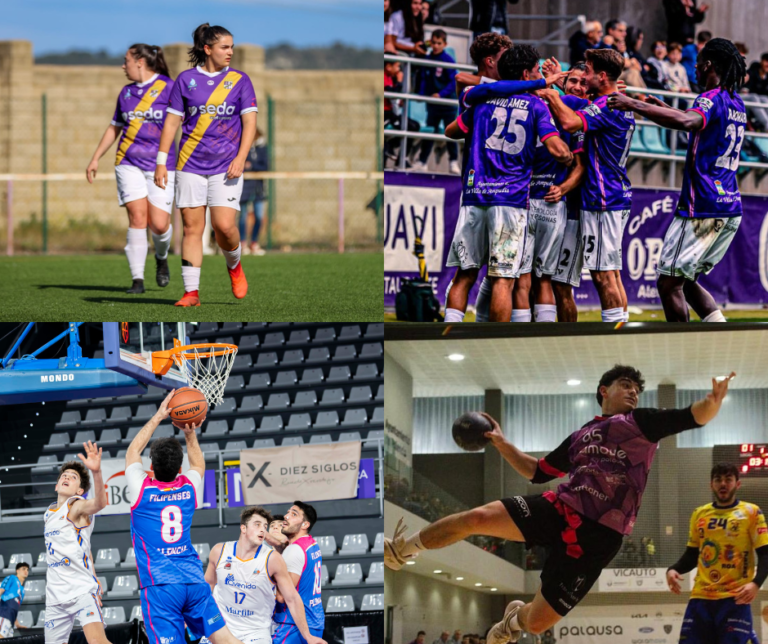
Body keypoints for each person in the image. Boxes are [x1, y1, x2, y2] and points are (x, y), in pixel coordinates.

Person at [385, 365, 735, 640]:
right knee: (476, 517)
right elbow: (538, 472)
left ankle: (514, 619)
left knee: (537, 624)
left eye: (637, 389)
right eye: (626, 384)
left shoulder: (640, 423)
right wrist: (502, 443)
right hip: (560, 507)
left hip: (599, 538)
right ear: (604, 391)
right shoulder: (581, 435)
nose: (633, 392)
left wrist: (713, 403)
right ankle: (402, 549)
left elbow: (691, 416)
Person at [607, 38, 748, 322]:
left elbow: (687, 121)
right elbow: (699, 131)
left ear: (708, 64)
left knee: (668, 282)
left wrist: (632, 103)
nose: (694, 70)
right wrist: (664, 110)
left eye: (697, 64)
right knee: (688, 279)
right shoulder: (737, 103)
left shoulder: (710, 97)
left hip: (703, 207)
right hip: (729, 206)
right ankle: (721, 341)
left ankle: (681, 350)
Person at [442, 45, 572, 323]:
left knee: (464, 275)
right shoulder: (537, 106)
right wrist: (569, 154)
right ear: (526, 73)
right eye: (536, 70)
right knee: (504, 279)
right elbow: (557, 150)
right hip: (510, 203)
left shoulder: (481, 103)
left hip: (475, 197)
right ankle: (494, 341)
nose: (539, 74)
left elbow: (450, 131)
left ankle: (448, 334)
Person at [125, 391, 243, 644]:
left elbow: (133, 450)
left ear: (151, 468)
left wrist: (159, 415)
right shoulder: (188, 486)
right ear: (180, 469)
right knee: (224, 638)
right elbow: (198, 463)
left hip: (161, 585)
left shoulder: (141, 488)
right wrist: (190, 432)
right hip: (193, 580)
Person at [155, 23, 257, 307]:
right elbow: (172, 123)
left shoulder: (240, 80)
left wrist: (240, 157)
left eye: (232, 47)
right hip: (189, 165)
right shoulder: (185, 80)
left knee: (224, 226)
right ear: (207, 48)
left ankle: (234, 265)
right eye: (225, 47)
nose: (230, 52)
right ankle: (191, 293)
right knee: (191, 228)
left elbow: (250, 123)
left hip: (227, 166)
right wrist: (162, 162)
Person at [540, 48, 634, 322]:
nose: (584, 78)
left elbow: (569, 122)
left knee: (604, 274)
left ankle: (616, 340)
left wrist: (550, 93)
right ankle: (621, 333)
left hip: (602, 199)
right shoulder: (615, 101)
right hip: (612, 196)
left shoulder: (606, 106)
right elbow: (579, 106)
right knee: (610, 273)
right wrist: (558, 87)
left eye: (589, 73)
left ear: (602, 76)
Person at [86, 44, 175, 294]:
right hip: (128, 162)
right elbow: (114, 127)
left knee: (159, 225)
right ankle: (137, 280)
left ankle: (161, 256)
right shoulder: (125, 93)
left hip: (162, 165)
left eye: (126, 61)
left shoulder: (170, 88)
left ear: (139, 62)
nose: (122, 66)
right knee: (138, 218)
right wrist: (95, 158)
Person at [667, 462, 768, 644]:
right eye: (718, 480)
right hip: (701, 598)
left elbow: (766, 554)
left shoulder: (752, 512)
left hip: (734, 599)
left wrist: (756, 583)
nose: (723, 484)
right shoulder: (699, 514)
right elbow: (692, 554)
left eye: (728, 479)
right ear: (711, 484)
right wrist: (673, 569)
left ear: (737, 484)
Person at [205, 506, 326, 644]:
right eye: (257, 525)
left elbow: (291, 598)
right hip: (222, 627)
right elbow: (207, 586)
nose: (262, 529)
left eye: (264, 526)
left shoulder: (274, 559)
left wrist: (308, 636)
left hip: (255, 632)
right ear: (243, 528)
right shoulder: (219, 551)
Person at [43, 443, 109, 644]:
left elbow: (99, 503)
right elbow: (85, 551)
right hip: (55, 595)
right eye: (64, 475)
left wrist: (96, 472)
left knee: (97, 642)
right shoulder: (49, 513)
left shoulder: (76, 506)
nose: (66, 477)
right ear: (56, 485)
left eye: (73, 477)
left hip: (80, 590)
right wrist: (97, 579)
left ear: (79, 490)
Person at [272, 503, 325, 644]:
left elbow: (282, 596)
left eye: (294, 514)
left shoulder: (294, 550)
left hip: (293, 625)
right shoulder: (312, 544)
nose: (286, 516)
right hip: (314, 621)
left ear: (305, 524)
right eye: (288, 512)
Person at [413, 30, 460, 174]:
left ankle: (453, 162)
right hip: (433, 103)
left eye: (439, 43)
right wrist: (422, 95)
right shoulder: (426, 59)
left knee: (451, 133)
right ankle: (422, 162)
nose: (435, 46)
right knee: (430, 131)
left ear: (445, 44)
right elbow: (424, 79)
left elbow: (454, 82)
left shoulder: (448, 60)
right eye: (433, 42)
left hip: (447, 104)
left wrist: (441, 94)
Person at [239, 129, 268, 256]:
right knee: (242, 217)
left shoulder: (262, 148)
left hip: (258, 187)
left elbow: (265, 166)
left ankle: (254, 242)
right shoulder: (241, 146)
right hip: (244, 186)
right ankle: (242, 243)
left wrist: (251, 166)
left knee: (259, 216)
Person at [0, 563, 29, 638]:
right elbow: (1, 591)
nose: (26, 571)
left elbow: (14, 608)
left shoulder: (22, 591)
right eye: (23, 569)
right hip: (4, 614)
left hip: (11, 620)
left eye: (27, 569)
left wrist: (17, 624)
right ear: (17, 571)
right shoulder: (12, 578)